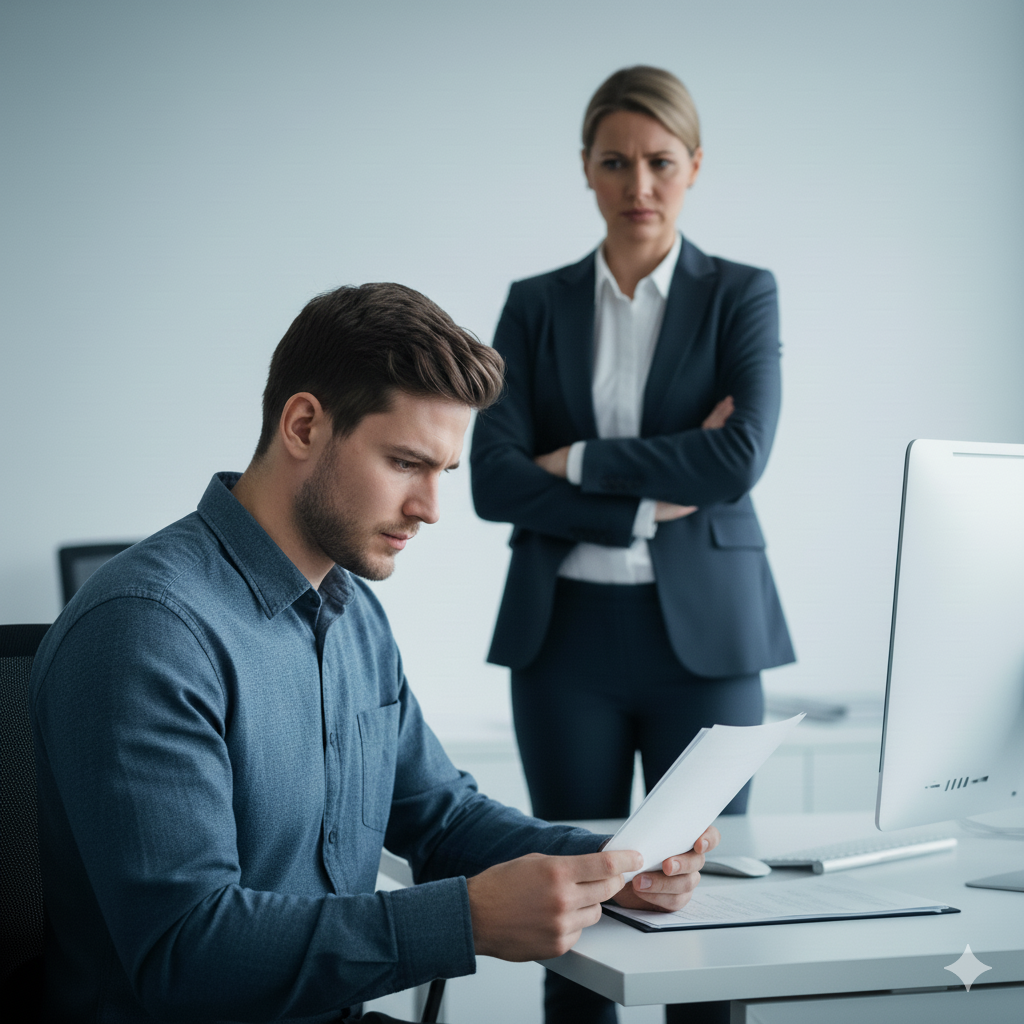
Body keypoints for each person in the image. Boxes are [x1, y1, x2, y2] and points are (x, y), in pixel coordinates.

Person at [29, 282, 719, 1024]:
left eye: (443, 473)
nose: (430, 508)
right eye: (404, 463)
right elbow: (186, 951)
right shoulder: (147, 632)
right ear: (302, 425)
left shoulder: (353, 614)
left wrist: (611, 863)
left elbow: (442, 819)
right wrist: (467, 919)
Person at [470, 67, 795, 1024]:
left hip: (707, 644)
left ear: (694, 166)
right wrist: (649, 503)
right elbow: (493, 478)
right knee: (576, 911)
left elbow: (736, 460)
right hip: (563, 640)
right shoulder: (534, 304)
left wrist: (572, 461)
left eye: (660, 162)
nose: (638, 186)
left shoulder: (741, 294)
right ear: (586, 169)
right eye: (616, 162)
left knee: (710, 906)